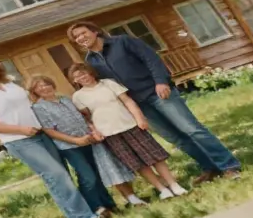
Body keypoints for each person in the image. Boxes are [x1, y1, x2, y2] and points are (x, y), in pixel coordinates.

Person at [66, 21, 242, 184]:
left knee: (192, 130)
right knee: (176, 138)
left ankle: (228, 166)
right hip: (138, 105)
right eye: (76, 37)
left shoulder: (123, 42)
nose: (80, 38)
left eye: (83, 33)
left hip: (157, 92)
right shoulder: (91, 61)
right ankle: (209, 167)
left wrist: (161, 81)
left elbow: (151, 58)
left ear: (95, 31)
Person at [0, 56, 100, 218]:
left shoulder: (11, 85)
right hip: (20, 141)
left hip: (42, 134)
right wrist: (21, 129)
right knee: (55, 174)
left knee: (62, 174)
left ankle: (82, 212)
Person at [65, 63, 189, 200]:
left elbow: (128, 101)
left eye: (84, 73)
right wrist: (95, 131)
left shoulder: (108, 84)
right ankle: (161, 189)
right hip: (109, 135)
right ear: (74, 80)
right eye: (77, 76)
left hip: (130, 126)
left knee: (155, 156)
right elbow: (87, 118)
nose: (82, 77)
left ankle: (174, 185)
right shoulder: (78, 96)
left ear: (91, 73)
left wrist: (139, 118)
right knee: (138, 163)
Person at [27, 74, 144, 212]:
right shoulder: (39, 107)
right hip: (70, 146)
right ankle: (96, 207)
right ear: (34, 91)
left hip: (89, 141)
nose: (44, 88)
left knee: (98, 174)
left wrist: (92, 130)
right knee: (88, 177)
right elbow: (50, 131)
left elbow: (83, 119)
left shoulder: (65, 99)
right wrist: (75, 140)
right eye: (39, 87)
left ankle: (109, 205)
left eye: (46, 84)